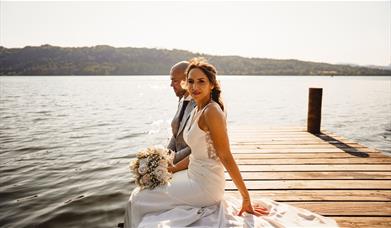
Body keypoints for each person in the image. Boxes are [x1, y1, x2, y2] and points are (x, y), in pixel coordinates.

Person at [124, 58, 338, 227]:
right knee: (140, 193)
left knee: (141, 199)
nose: (195, 86)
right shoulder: (196, 109)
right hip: (192, 175)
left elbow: (225, 156)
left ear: (211, 84)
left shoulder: (212, 112)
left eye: (201, 81)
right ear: (185, 83)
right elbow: (197, 153)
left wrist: (246, 198)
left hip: (205, 185)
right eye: (191, 81)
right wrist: (172, 168)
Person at [167, 61, 196, 164]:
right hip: (176, 161)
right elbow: (176, 135)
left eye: (174, 81)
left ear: (186, 80)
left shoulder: (200, 105)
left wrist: (170, 160)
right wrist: (164, 155)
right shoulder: (182, 100)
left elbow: (196, 147)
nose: (171, 85)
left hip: (191, 163)